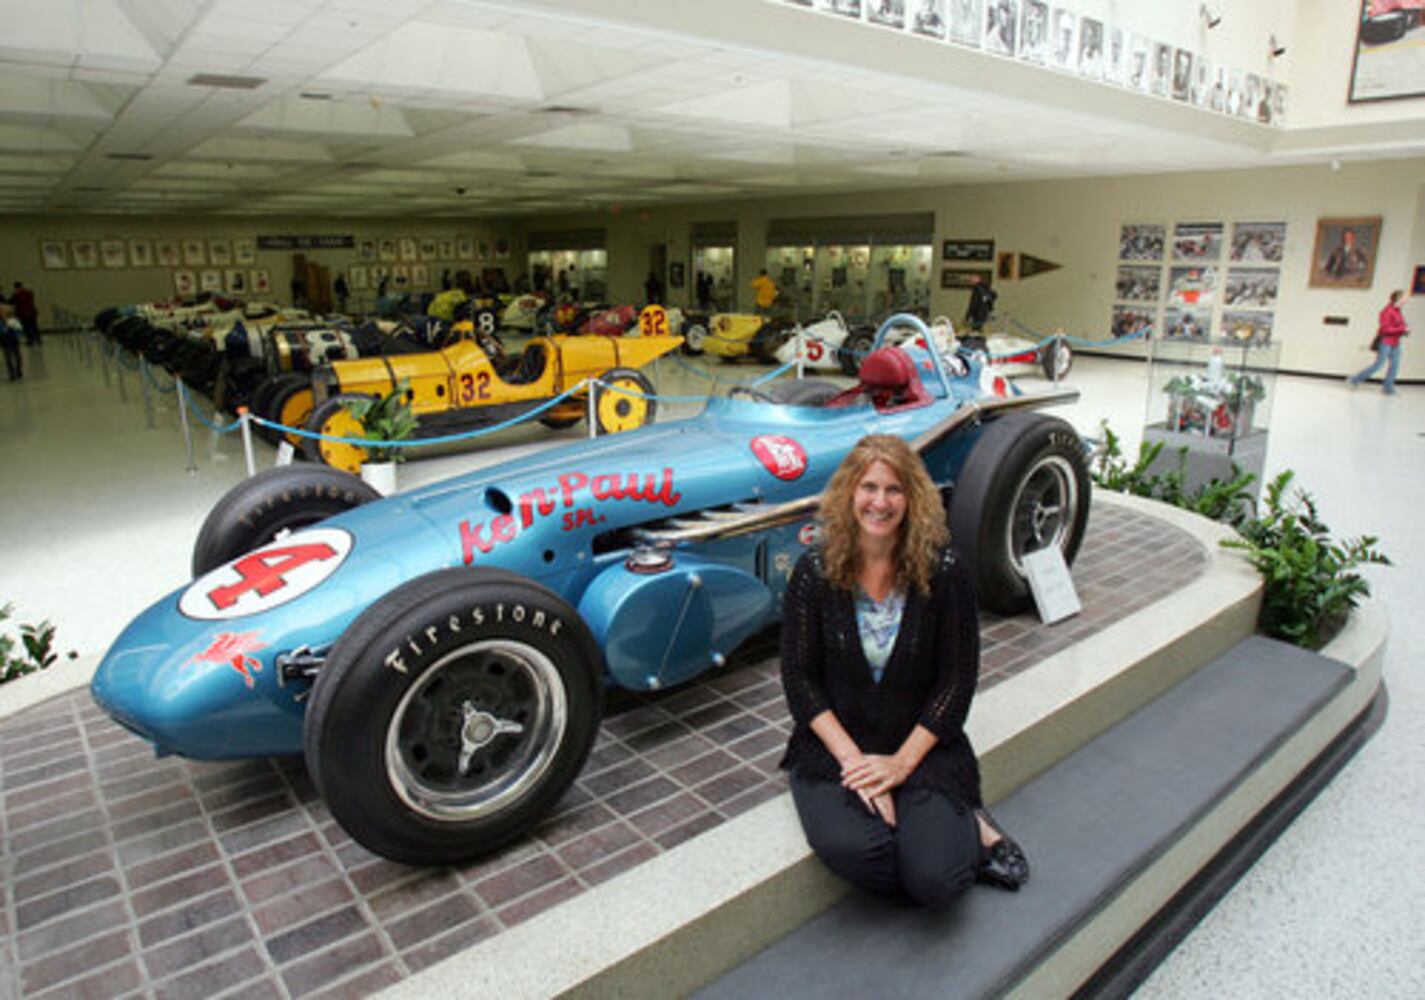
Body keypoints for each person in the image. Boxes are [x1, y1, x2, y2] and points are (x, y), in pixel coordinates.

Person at [779, 434, 1030, 909]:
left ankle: (972, 830)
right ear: (848, 493)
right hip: (838, 749)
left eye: (894, 489)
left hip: (921, 743)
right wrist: (859, 768)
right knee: (858, 850)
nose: (880, 502)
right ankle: (947, 834)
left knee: (937, 881)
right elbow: (800, 680)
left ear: (913, 498)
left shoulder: (945, 572)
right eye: (869, 487)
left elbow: (956, 683)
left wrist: (899, 766)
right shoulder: (814, 574)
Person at [1348, 290, 1409, 395]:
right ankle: (1354, 379)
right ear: (1398, 298)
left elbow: (1400, 325)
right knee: (1378, 365)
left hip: (1396, 342)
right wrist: (1402, 329)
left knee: (1395, 365)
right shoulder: (1386, 311)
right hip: (1386, 342)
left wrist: (1405, 329)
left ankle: (1388, 388)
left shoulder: (1398, 310)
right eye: (1404, 297)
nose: (1406, 300)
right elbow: (1385, 329)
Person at [11, 281, 39, 345]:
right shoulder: (28, 292)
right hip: (30, 312)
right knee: (33, 326)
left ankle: (31, 340)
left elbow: (12, 301)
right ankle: (37, 339)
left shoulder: (19, 294)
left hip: (25, 313)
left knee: (27, 327)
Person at [0, 304, 22, 380]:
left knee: (17, 356)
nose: (2, 312)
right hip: (4, 342)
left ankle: (18, 370)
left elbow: (19, 331)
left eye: (3, 311)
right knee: (8, 357)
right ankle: (11, 373)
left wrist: (14, 332)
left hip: (13, 340)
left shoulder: (13, 320)